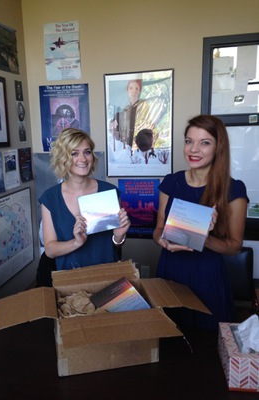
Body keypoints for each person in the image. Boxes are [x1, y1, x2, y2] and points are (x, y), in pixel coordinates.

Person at [153, 115, 248, 331]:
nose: (193, 149)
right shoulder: (171, 182)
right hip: (170, 269)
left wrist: (204, 239)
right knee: (169, 342)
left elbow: (234, 246)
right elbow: (158, 229)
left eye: (204, 143)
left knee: (206, 348)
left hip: (206, 275)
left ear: (218, 147)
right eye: (189, 141)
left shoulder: (233, 189)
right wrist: (162, 242)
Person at [39, 128, 131, 273]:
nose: (83, 159)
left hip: (108, 276)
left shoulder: (109, 192)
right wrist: (76, 242)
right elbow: (50, 250)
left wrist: (118, 236)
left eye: (87, 152)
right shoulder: (50, 198)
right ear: (63, 158)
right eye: (74, 153)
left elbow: (116, 244)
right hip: (70, 281)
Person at [110, 79, 154, 150]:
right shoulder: (124, 108)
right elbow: (114, 125)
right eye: (131, 88)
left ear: (139, 90)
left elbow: (148, 124)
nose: (134, 91)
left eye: (136, 88)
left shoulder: (144, 105)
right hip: (125, 148)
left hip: (140, 145)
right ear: (127, 90)